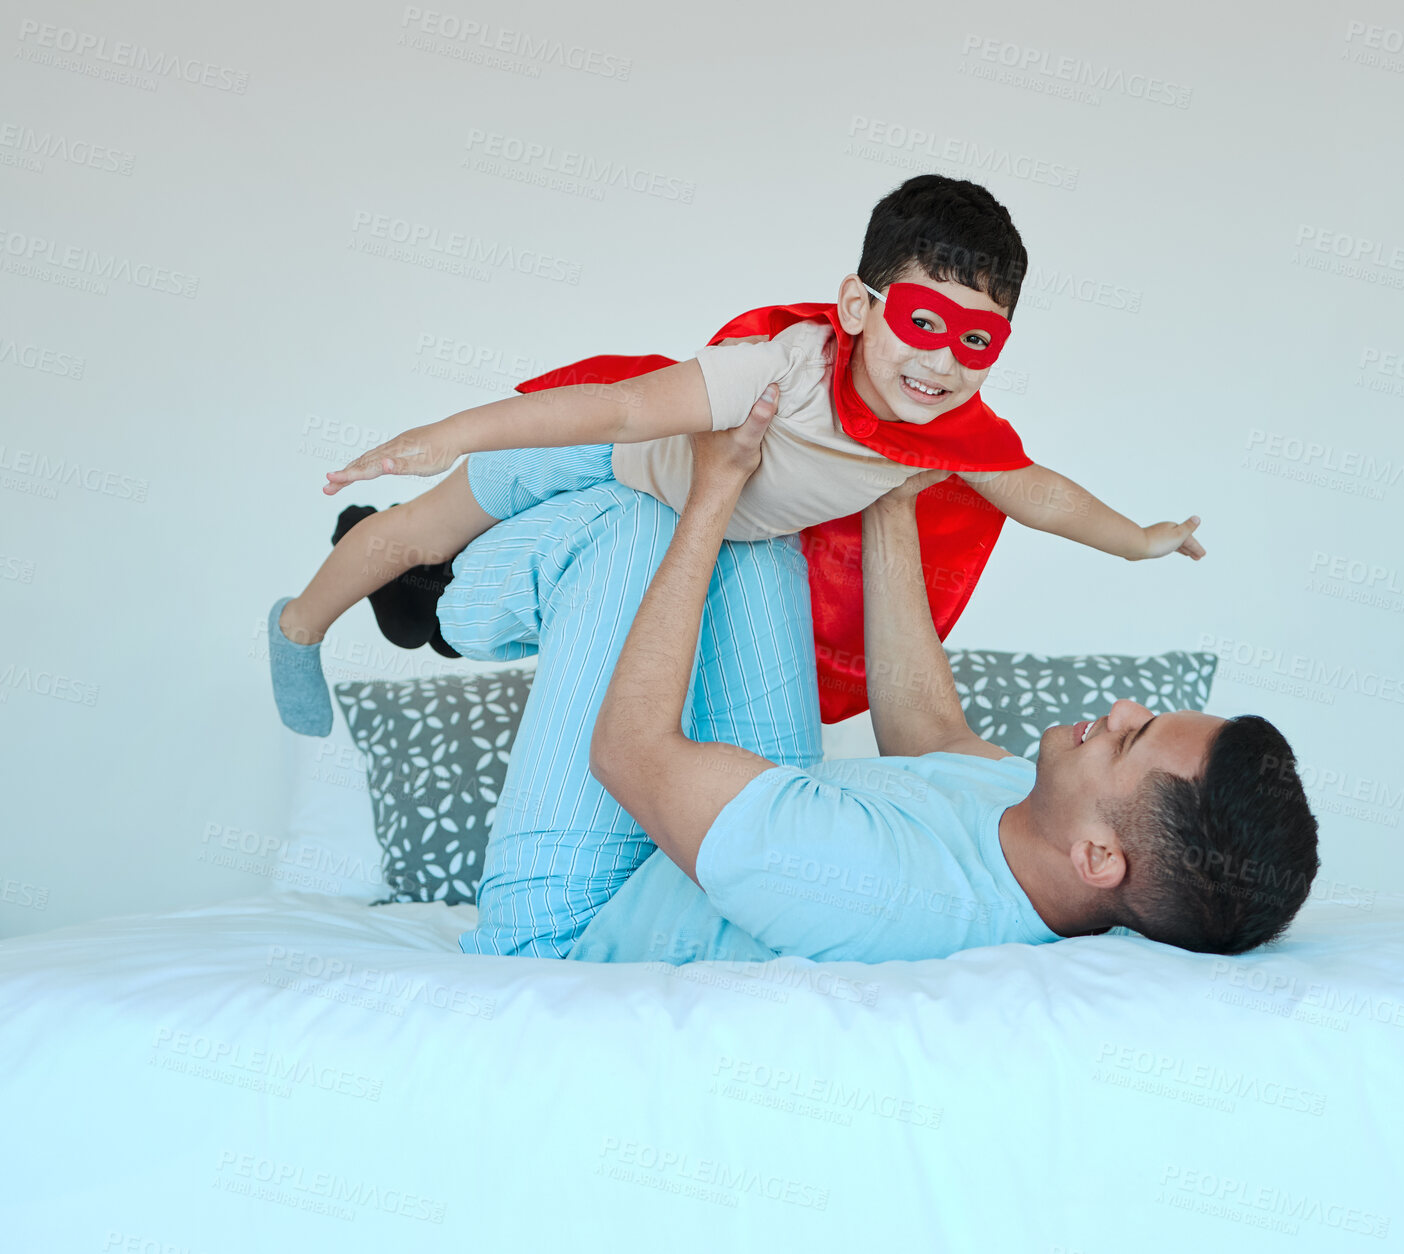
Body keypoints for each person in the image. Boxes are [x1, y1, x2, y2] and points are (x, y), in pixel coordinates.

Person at [267, 175, 1206, 737]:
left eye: (976, 342)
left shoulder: (951, 432)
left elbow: (1039, 494)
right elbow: (624, 410)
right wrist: (445, 437)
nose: (939, 362)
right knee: (415, 533)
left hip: (678, 531)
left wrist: (1142, 540)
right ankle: (301, 625)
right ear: (855, 307)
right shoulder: (784, 370)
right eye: (923, 323)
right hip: (600, 460)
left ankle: (422, 594)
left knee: (470, 594)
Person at [443, 390, 1318, 963]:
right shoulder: (1043, 826)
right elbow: (930, 738)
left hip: (577, 924)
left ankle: (426, 588)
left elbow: (631, 755)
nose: (1122, 708)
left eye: (1133, 739)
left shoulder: (880, 886)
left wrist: (707, 497)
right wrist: (891, 496)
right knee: (760, 529)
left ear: (1098, 857)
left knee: (643, 524)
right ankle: (447, 525)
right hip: (708, 830)